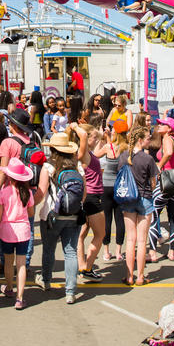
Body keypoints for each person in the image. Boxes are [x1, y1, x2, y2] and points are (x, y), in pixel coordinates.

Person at [37, 130, 85, 303]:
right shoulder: (77, 167)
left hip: (51, 214)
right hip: (74, 214)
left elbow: (41, 193)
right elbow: (84, 194)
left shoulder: (48, 167)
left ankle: (46, 280)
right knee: (71, 252)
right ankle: (70, 291)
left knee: (49, 249)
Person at [0, 156, 35, 309]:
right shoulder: (28, 193)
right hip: (23, 230)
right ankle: (20, 297)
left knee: (8, 262)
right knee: (21, 264)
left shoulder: (4, 193)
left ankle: (9, 288)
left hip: (6, 231)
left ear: (9, 176)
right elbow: (30, 213)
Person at [120, 119, 158, 286]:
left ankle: (129, 276)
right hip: (144, 197)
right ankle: (141, 276)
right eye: (148, 138)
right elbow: (154, 182)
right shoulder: (147, 159)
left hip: (128, 198)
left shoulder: (123, 157)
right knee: (142, 240)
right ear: (141, 140)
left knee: (131, 239)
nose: (150, 140)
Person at [73, 119, 107, 281]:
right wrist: (75, 127)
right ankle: (87, 267)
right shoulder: (84, 153)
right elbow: (83, 137)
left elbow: (100, 139)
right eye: (93, 137)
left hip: (87, 197)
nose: (96, 140)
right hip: (92, 198)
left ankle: (82, 266)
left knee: (82, 233)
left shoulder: (90, 153)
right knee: (100, 234)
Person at [149, 116, 174, 260]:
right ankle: (171, 251)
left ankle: (152, 252)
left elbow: (169, 153)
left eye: (162, 124)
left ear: (169, 128)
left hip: (166, 181)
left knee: (153, 213)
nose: (158, 126)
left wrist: (159, 165)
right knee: (173, 215)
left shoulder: (167, 139)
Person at [97, 123, 127, 262]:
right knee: (120, 219)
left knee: (107, 219)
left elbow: (95, 154)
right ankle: (119, 251)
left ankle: (106, 251)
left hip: (106, 185)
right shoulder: (126, 148)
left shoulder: (108, 148)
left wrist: (101, 138)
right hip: (119, 186)